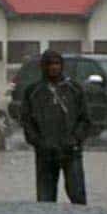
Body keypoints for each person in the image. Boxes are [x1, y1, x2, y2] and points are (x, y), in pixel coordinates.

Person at [20, 50, 92, 205]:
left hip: (71, 152)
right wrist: (39, 143)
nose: (54, 68)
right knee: (46, 201)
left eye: (57, 64)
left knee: (78, 197)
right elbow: (26, 122)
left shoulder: (74, 89)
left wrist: (75, 140)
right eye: (50, 64)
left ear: (62, 66)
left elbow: (85, 120)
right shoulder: (33, 92)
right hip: (45, 153)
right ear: (43, 67)